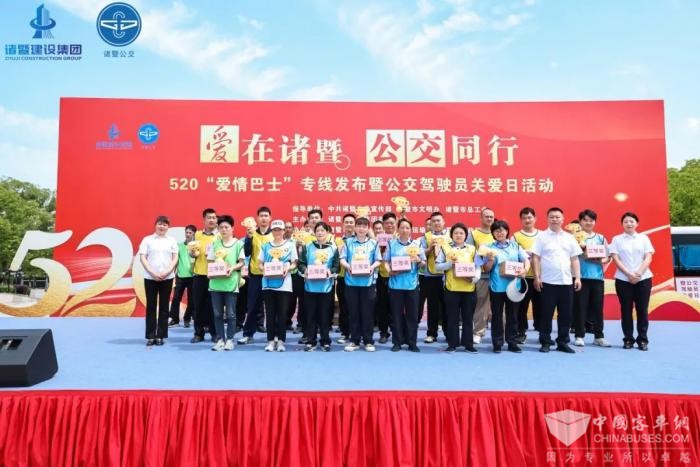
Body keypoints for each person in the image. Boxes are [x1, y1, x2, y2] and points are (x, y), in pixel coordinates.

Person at [531, 207, 582, 354]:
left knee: (566, 314)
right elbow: (535, 258)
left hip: (566, 282)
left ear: (563, 219)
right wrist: (537, 277)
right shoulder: (541, 237)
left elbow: (574, 259)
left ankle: (563, 342)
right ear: (547, 219)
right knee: (546, 314)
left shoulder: (569, 238)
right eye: (552, 217)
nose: (555, 219)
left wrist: (578, 277)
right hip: (547, 282)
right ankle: (545, 341)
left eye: (557, 217)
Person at [609, 212, 654, 351]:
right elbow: (615, 259)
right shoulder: (617, 239)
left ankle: (642, 340)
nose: (629, 223)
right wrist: (628, 274)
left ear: (637, 223)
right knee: (626, 310)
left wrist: (638, 273)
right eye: (626, 221)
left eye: (632, 221)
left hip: (643, 278)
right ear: (622, 224)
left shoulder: (644, 238)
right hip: (623, 279)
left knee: (642, 310)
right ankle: (628, 339)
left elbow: (648, 257)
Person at [483, 220, 530, 353]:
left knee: (513, 316)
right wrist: (490, 260)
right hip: (496, 287)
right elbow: (486, 269)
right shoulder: (489, 248)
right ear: (493, 233)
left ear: (507, 231)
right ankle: (497, 343)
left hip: (514, 286)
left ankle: (512, 342)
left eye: (502, 230)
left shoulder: (516, 246)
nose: (500, 233)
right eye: (496, 231)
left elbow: (526, 260)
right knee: (497, 316)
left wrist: (525, 270)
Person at [436, 223, 481, 353]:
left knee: (468, 318)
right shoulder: (445, 248)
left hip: (469, 289)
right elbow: (437, 266)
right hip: (451, 289)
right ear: (451, 235)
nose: (458, 235)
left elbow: (478, 267)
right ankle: (452, 344)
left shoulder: (472, 249)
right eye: (456, 233)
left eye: (461, 233)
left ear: (465, 235)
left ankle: (468, 344)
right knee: (452, 318)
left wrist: (474, 279)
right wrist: (449, 264)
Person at [383, 218, 425, 352]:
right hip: (395, 285)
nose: (404, 230)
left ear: (411, 230)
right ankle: (397, 342)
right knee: (396, 314)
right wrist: (390, 271)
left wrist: (418, 260)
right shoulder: (391, 243)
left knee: (412, 315)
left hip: (412, 285)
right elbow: (385, 261)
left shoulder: (416, 244)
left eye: (407, 228)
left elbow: (423, 264)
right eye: (402, 227)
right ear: (398, 229)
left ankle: (412, 342)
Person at [340, 217, 381, 352]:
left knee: (367, 313)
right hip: (351, 283)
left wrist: (371, 267)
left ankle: (368, 341)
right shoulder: (348, 242)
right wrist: (349, 267)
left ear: (368, 228)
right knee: (353, 312)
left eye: (364, 226)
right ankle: (354, 340)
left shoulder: (373, 243)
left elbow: (378, 260)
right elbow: (342, 259)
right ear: (355, 228)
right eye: (359, 226)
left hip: (368, 283)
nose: (361, 229)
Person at [258, 219, 298, 352]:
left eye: (279, 230)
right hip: (268, 283)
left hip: (284, 284)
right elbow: (260, 263)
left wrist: (288, 268)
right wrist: (263, 270)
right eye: (275, 230)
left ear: (283, 231)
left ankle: (281, 341)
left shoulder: (290, 245)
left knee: (282, 314)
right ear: (272, 231)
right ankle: (270, 341)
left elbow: (294, 263)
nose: (277, 232)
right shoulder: (266, 246)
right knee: (270, 313)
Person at [299, 222, 339, 351]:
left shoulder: (333, 248)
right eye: (318, 231)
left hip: (326, 287)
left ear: (327, 233)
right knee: (310, 315)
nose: (320, 233)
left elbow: (337, 266)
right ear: (314, 233)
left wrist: (330, 271)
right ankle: (311, 341)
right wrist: (305, 270)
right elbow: (301, 263)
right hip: (310, 287)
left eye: (323, 230)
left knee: (325, 315)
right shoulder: (308, 247)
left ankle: (325, 341)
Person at [138, 215, 178, 346]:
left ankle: (160, 335)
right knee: (151, 306)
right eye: (160, 224)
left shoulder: (171, 240)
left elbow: (175, 258)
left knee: (164, 307)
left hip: (167, 277)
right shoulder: (147, 240)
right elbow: (143, 258)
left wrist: (167, 272)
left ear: (168, 227)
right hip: (150, 278)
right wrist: (152, 272)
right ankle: (150, 336)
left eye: (165, 225)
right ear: (155, 225)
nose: (162, 227)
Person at [574, 209, 611, 347]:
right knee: (580, 307)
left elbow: (608, 257)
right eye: (585, 220)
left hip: (597, 278)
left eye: (591, 220)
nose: (588, 223)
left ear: (595, 222)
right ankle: (579, 335)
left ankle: (599, 336)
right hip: (580, 277)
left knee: (597, 308)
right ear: (580, 222)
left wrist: (600, 260)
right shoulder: (575, 238)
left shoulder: (601, 238)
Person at [207, 215, 245, 351]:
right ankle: (220, 339)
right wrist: (209, 272)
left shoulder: (238, 244)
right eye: (221, 227)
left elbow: (241, 262)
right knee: (217, 314)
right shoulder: (215, 244)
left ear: (232, 228)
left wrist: (231, 268)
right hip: (215, 284)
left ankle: (230, 339)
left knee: (230, 314)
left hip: (230, 284)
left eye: (226, 227)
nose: (223, 230)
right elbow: (210, 261)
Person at [238, 207, 272, 345]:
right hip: (256, 275)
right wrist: (249, 238)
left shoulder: (274, 234)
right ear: (257, 218)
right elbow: (246, 253)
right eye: (261, 215)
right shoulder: (252, 233)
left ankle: (273, 336)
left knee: (272, 307)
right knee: (252, 306)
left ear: (270, 218)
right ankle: (248, 334)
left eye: (266, 215)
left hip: (272, 276)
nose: (263, 218)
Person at [511, 207, 541, 343]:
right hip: (522, 277)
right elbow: (512, 255)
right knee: (521, 307)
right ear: (521, 220)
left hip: (540, 277)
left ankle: (542, 332)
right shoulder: (515, 236)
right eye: (524, 218)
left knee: (541, 306)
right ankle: (521, 332)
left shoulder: (542, 235)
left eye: (530, 217)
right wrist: (524, 253)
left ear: (535, 218)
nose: (527, 220)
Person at [190, 208, 219, 343]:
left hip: (215, 276)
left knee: (214, 307)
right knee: (198, 306)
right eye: (209, 217)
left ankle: (215, 333)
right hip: (199, 275)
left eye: (214, 217)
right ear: (204, 219)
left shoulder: (219, 236)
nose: (212, 220)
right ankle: (198, 333)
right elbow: (191, 253)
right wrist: (191, 253)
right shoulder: (197, 235)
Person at [420, 211, 449, 343]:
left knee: (448, 306)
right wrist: (429, 249)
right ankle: (432, 333)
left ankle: (449, 333)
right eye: (434, 221)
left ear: (444, 222)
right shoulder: (426, 237)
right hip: (430, 275)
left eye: (439, 220)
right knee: (432, 306)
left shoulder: (450, 236)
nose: (436, 223)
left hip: (447, 276)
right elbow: (420, 255)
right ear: (430, 224)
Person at [471, 208, 495, 344]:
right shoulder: (473, 234)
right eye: (487, 216)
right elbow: (469, 253)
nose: (489, 219)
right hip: (482, 275)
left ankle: (500, 334)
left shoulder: (498, 233)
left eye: (491, 216)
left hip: (498, 276)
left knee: (500, 307)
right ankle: (478, 332)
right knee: (480, 305)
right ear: (481, 218)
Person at [168, 224, 196, 328]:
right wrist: (173, 273)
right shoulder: (179, 246)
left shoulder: (196, 246)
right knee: (176, 298)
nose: (188, 234)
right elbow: (175, 261)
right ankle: (174, 319)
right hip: (180, 276)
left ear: (194, 234)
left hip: (193, 276)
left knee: (192, 299)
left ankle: (187, 318)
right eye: (186, 232)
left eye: (190, 233)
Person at [376, 212, 397, 344]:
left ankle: (397, 332)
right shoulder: (379, 239)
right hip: (382, 277)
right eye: (387, 223)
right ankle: (384, 332)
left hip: (398, 277)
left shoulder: (400, 237)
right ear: (383, 225)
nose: (389, 225)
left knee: (396, 307)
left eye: (392, 223)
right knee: (382, 307)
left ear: (396, 224)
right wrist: (380, 247)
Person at [335, 213, 356, 344]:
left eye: (351, 222)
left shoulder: (360, 240)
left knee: (355, 307)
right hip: (342, 277)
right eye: (346, 222)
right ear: (342, 224)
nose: (349, 224)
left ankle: (356, 333)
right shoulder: (337, 240)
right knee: (344, 306)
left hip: (357, 278)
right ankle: (345, 333)